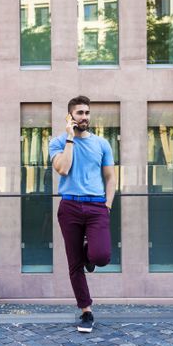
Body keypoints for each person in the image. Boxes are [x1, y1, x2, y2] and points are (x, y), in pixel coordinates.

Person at [49, 95, 116, 333]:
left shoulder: (102, 144)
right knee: (74, 263)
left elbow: (110, 178)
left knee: (102, 256)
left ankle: (90, 254)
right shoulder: (57, 142)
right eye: (79, 113)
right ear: (70, 116)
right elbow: (63, 168)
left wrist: (107, 204)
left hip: (97, 207)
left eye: (87, 113)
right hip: (69, 208)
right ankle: (86, 311)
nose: (84, 117)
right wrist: (69, 137)